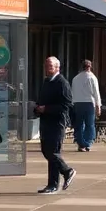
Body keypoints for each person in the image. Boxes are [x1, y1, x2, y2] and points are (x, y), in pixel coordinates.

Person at [35, 56, 74, 195]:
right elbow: (42, 99)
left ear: (57, 67)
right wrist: (37, 108)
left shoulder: (62, 83)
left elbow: (66, 105)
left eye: (50, 66)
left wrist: (47, 109)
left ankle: (62, 176)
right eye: (46, 65)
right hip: (45, 122)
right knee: (46, 151)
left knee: (53, 152)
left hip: (57, 123)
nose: (47, 68)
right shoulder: (46, 82)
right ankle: (58, 178)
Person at [71, 60, 102, 152]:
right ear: (90, 67)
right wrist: (98, 105)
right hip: (89, 103)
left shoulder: (75, 78)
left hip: (77, 103)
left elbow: (73, 92)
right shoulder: (92, 77)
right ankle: (87, 143)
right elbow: (96, 93)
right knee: (89, 124)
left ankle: (80, 143)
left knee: (79, 124)